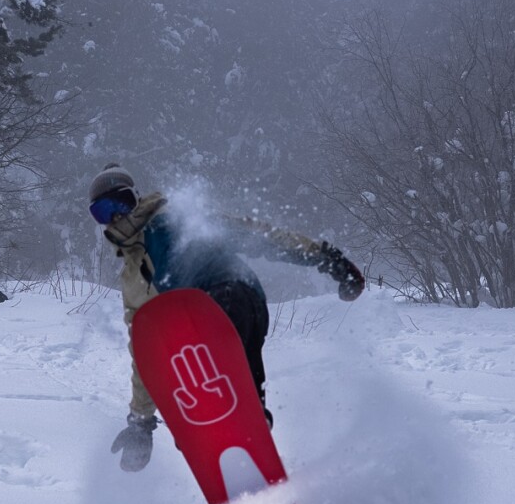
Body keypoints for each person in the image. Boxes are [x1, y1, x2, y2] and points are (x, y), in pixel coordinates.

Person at [88, 164, 365, 471]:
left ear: (136, 198)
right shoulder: (132, 278)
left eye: (121, 203)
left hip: (235, 296)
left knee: (214, 333)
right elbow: (144, 349)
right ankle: (241, 456)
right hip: (198, 329)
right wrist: (141, 422)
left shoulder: (176, 218)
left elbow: (256, 235)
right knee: (193, 403)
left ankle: (240, 414)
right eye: (103, 211)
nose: (115, 216)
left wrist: (326, 258)